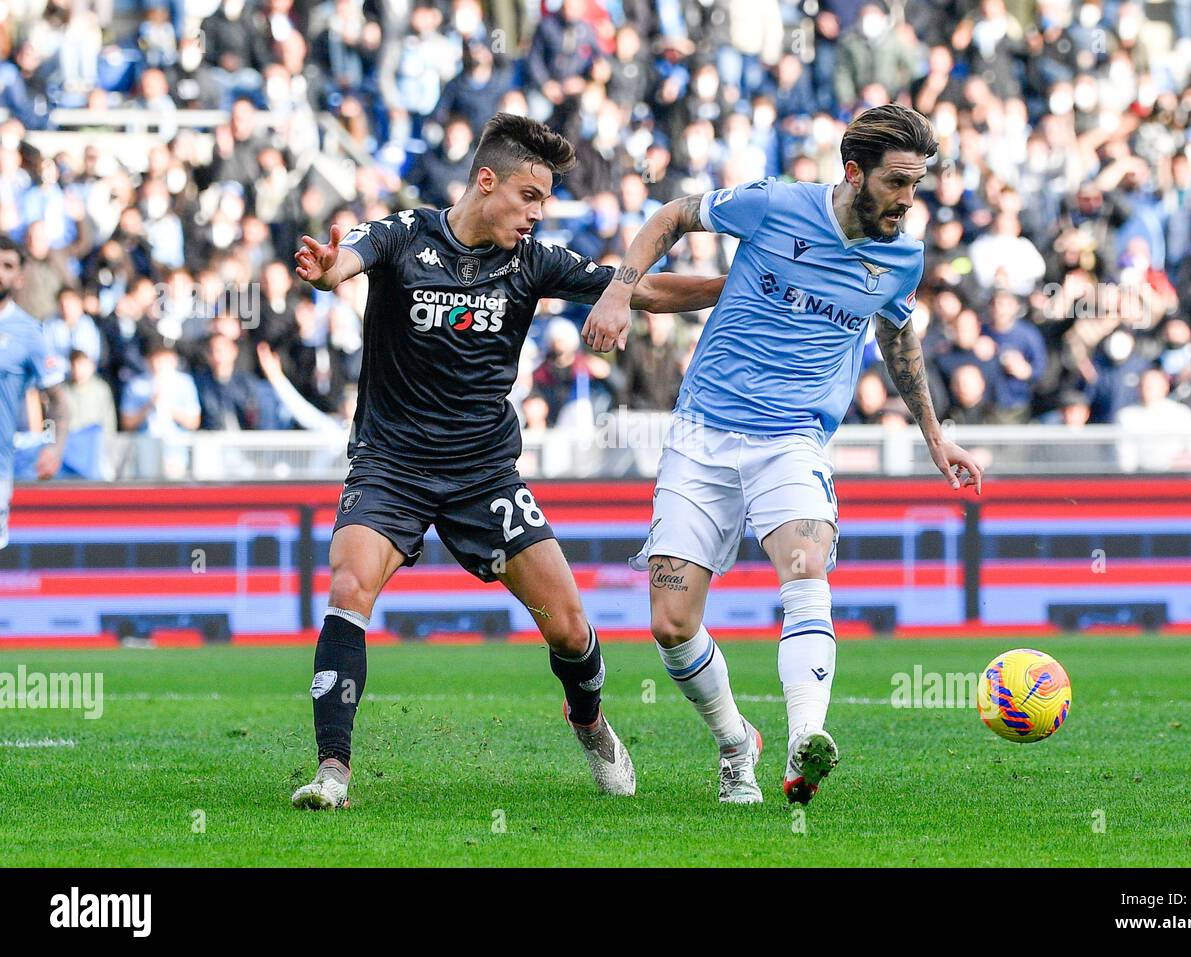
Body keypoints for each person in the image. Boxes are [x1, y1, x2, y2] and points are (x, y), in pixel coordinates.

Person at [289, 113, 724, 810]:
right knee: (348, 586)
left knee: (571, 627)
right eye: (528, 196)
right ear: (485, 181)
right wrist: (327, 271)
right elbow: (349, 258)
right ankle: (332, 771)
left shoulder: (533, 261)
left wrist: (732, 288)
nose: (535, 213)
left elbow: (636, 290)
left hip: (483, 473)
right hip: (390, 465)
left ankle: (589, 722)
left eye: (543, 202)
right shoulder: (404, 235)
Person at [583, 104, 982, 805]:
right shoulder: (773, 205)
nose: (907, 200)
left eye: (917, 183)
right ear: (853, 172)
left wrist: (933, 433)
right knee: (670, 625)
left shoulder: (902, 256)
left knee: (806, 563)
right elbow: (675, 214)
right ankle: (738, 742)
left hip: (792, 439)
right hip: (703, 433)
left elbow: (897, 339)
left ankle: (804, 743)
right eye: (896, 182)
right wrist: (621, 290)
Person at [0, 235, 67, 549]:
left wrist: (55, 445)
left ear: (19, 278)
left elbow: (58, 400)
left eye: (7, 266)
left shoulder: (29, 332)